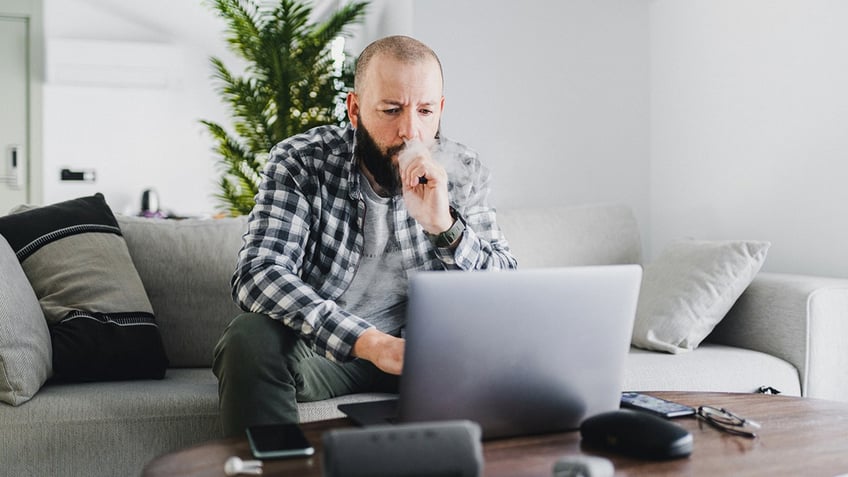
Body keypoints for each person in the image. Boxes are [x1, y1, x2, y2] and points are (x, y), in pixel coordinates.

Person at [212, 35, 518, 437]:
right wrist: (370, 343)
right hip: (330, 351)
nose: (411, 131)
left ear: (440, 109)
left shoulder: (463, 169)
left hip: (428, 354)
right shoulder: (302, 161)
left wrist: (444, 227)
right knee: (248, 339)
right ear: (354, 110)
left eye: (425, 111)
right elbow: (259, 273)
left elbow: (506, 290)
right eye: (391, 110)